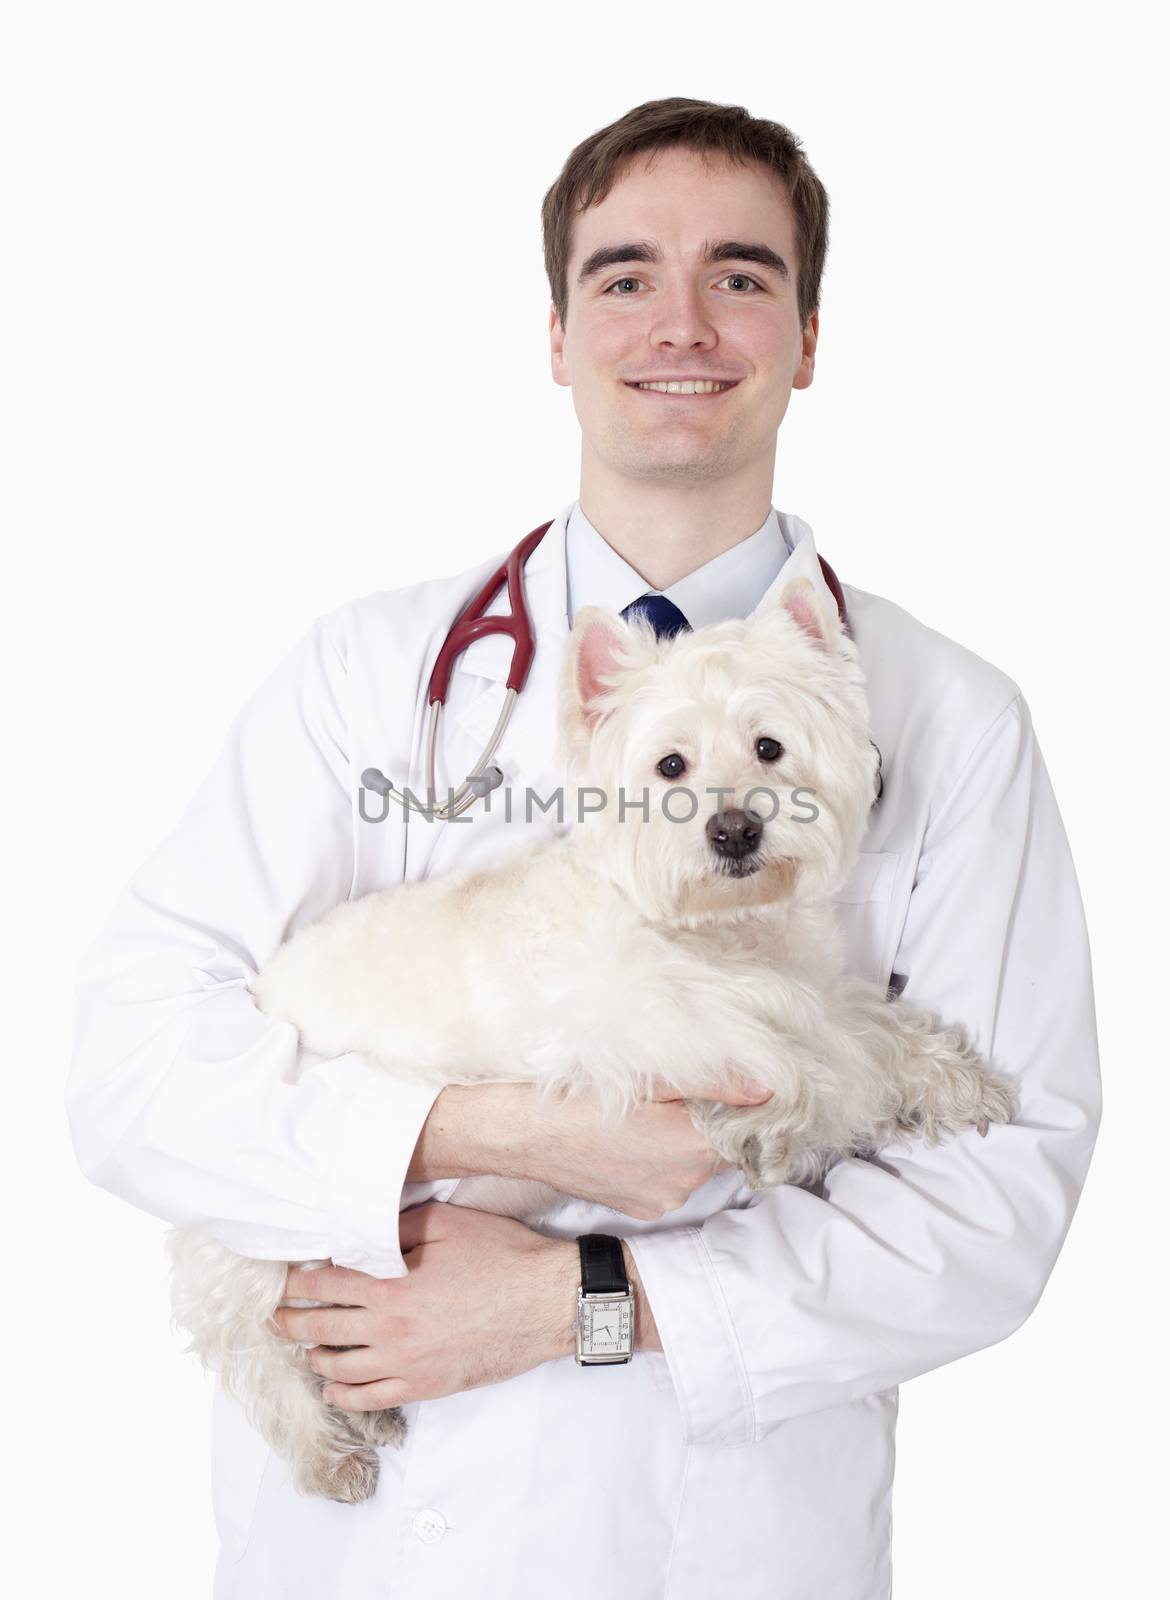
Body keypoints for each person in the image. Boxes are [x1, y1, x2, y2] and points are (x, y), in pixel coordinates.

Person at [66, 97, 1101, 1599]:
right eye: (623, 276)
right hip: (366, 1550)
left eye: (740, 276)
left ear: (808, 337)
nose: (679, 321)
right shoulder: (365, 673)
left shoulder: (952, 716)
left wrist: (581, 1300)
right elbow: (129, 1067)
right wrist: (487, 1136)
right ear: (554, 334)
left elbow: (997, 1203)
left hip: (720, 1542)